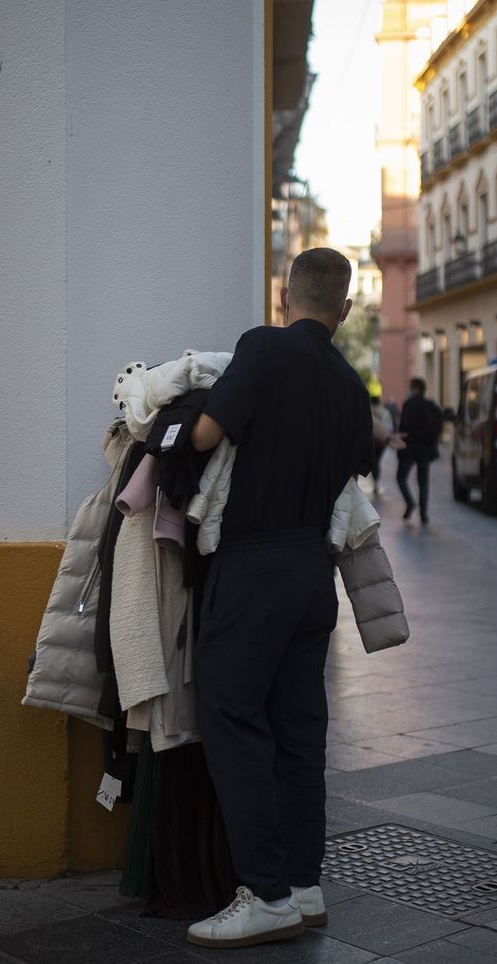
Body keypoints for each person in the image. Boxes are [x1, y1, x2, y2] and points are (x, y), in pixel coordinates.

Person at [184, 247, 373, 949]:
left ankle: (263, 894)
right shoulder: (352, 386)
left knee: (232, 716)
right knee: (301, 730)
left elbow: (204, 434)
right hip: (312, 572)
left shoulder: (262, 348)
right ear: (345, 309)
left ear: (284, 298)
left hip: (254, 565)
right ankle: (302, 886)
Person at [392, 377, 442, 523]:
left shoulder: (409, 404)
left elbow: (403, 426)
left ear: (415, 388)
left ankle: (410, 502)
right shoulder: (431, 405)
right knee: (423, 482)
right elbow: (438, 427)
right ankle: (423, 513)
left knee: (401, 478)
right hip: (425, 450)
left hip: (410, 449)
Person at [369, 394, 394, 496]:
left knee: (374, 463)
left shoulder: (368, 411)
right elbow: (390, 427)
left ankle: (375, 481)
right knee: (377, 462)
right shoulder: (385, 411)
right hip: (382, 441)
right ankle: (376, 483)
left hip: (371, 441)